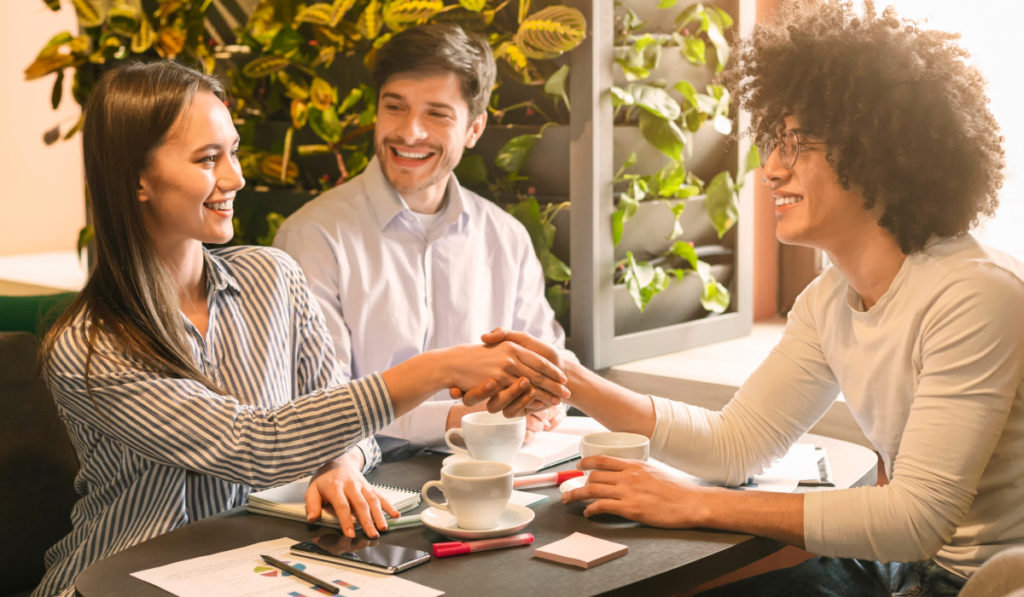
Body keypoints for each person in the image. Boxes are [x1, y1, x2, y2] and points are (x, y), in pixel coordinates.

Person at [475, 1, 1024, 595]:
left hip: (979, 581)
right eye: (773, 141)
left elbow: (913, 521)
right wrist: (571, 376)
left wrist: (697, 504)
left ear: (880, 153)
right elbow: (735, 445)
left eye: (797, 144)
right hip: (902, 570)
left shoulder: (975, 293)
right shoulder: (827, 301)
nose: (771, 169)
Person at [32, 60, 568, 597]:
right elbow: (253, 443)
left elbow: (346, 420)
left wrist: (338, 463)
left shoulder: (273, 276)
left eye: (234, 151)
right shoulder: (89, 345)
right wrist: (436, 369)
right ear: (137, 180)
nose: (235, 178)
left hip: (251, 570)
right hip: (118, 580)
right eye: (208, 159)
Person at [274, 23, 575, 524]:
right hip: (364, 492)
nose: (409, 132)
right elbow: (319, 409)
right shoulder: (312, 236)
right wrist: (460, 418)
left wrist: (542, 400)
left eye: (436, 114)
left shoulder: (507, 238)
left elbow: (549, 363)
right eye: (395, 107)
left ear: (474, 129)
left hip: (503, 486)